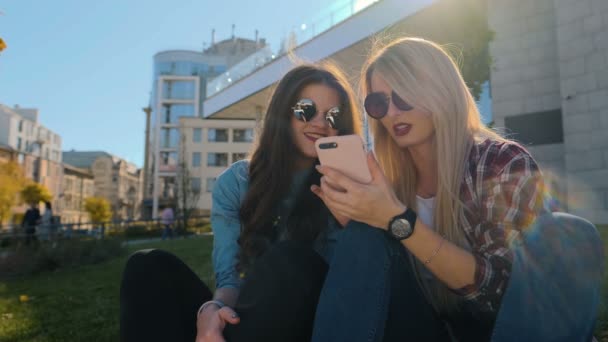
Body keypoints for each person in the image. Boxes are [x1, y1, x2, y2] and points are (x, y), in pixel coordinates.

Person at [311, 37, 604, 341]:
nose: (392, 112)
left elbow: (501, 295)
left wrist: (398, 221)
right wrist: (358, 221)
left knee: (571, 229)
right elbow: (379, 292)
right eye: (378, 103)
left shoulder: (498, 162)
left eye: (405, 95)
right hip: (433, 329)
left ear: (440, 90)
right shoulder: (389, 185)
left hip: (500, 332)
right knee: (359, 238)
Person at [120, 62, 363, 342]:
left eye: (333, 116)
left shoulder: (346, 185)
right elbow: (230, 278)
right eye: (306, 109)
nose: (320, 123)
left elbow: (349, 283)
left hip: (311, 324)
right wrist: (214, 310)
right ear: (282, 112)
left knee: (290, 259)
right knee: (148, 265)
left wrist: (351, 218)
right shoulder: (235, 183)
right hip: (244, 318)